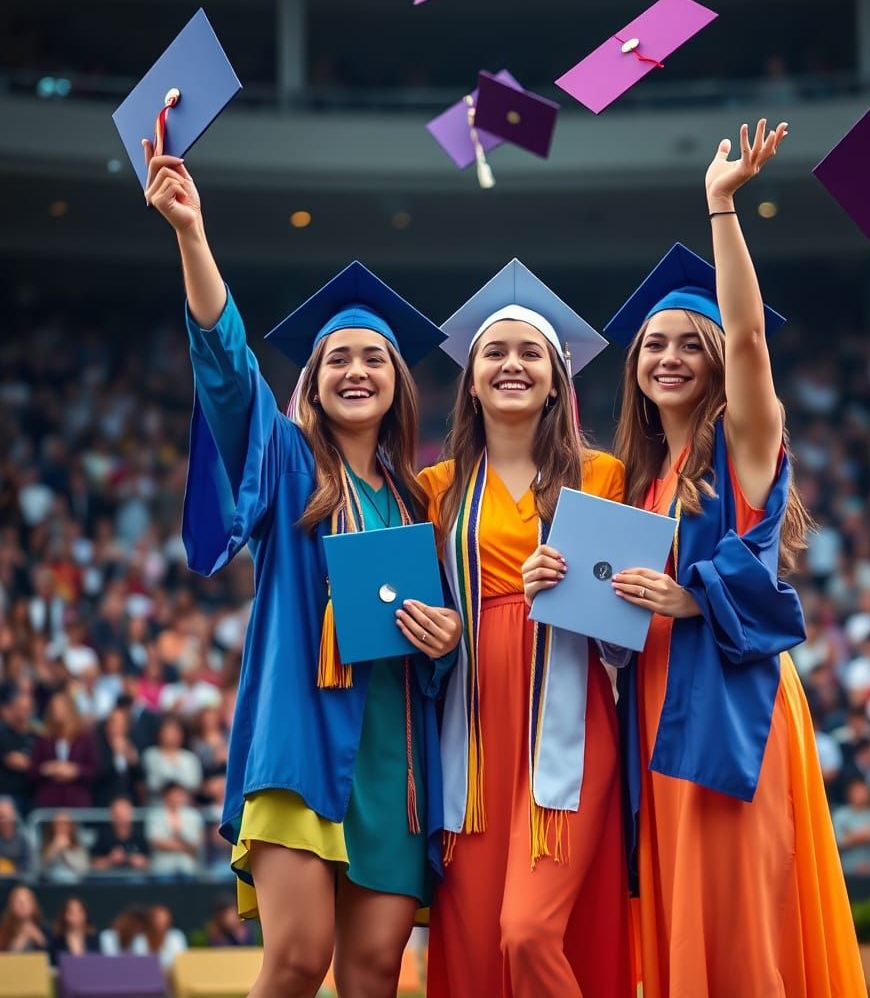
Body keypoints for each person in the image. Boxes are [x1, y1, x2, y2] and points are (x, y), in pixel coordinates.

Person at [144, 143, 459, 998]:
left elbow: (443, 638)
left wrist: (445, 638)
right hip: (302, 742)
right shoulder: (287, 466)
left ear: (398, 382)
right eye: (337, 360)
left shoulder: (423, 501)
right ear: (312, 383)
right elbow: (227, 370)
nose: (356, 372)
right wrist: (192, 235)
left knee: (374, 975)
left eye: (374, 359)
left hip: (395, 763)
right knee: (294, 962)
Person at [604, 121, 866, 997]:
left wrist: (721, 206)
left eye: (691, 341)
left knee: (739, 920)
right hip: (655, 705)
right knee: (680, 914)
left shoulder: (740, 450)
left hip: (729, 703)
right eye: (654, 344)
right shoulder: (641, 482)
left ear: (717, 358)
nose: (669, 357)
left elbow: (752, 341)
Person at [419, 262, 632, 997]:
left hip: (567, 726)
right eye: (495, 353)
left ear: (557, 381)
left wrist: (574, 588)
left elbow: (620, 638)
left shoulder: (602, 478)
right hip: (471, 737)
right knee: (479, 945)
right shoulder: (435, 489)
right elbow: (411, 617)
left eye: (530, 353)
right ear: (471, 382)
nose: (512, 364)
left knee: (529, 931)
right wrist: (436, 628)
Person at [29, 691, 97, 809]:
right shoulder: (44, 739)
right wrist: (48, 769)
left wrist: (75, 771)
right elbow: (33, 771)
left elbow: (94, 770)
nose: (56, 711)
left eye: (60, 707)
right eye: (54, 707)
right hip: (49, 802)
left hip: (76, 802)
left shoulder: (85, 738)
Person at [91, 796, 150, 876]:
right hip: (111, 877)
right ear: (112, 815)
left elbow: (149, 861)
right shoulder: (104, 835)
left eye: (125, 812)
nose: (122, 818)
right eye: (118, 814)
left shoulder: (139, 833)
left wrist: (138, 861)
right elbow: (94, 863)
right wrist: (110, 859)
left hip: (135, 877)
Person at [40, 811, 90, 882]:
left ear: (71, 827)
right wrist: (54, 848)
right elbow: (41, 868)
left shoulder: (78, 845)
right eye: (58, 824)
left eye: (65, 824)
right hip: (50, 883)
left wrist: (66, 851)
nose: (62, 827)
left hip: (74, 883)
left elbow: (83, 870)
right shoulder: (45, 843)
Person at [48, 897, 100, 963]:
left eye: (80, 911)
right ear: (64, 915)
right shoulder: (56, 941)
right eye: (71, 912)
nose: (76, 916)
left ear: (86, 914)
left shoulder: (94, 939)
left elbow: (98, 961)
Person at [0, 884, 50, 953]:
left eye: (26, 901)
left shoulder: (46, 931)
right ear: (11, 906)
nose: (22, 905)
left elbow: (54, 956)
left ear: (34, 905)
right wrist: (21, 940)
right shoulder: (3, 933)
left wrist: (41, 941)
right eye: (18, 901)